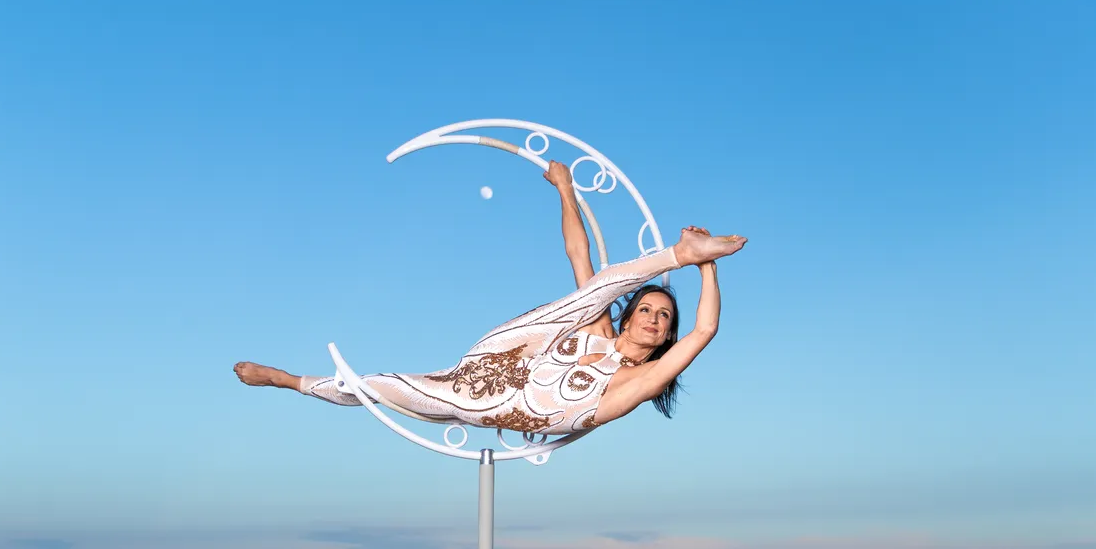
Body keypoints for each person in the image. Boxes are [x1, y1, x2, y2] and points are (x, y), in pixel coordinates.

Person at [234, 160, 746, 434]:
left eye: (663, 317)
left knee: (380, 386)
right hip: (496, 358)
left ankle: (286, 380)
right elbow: (577, 252)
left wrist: (709, 269)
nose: (654, 319)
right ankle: (677, 252)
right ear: (631, 317)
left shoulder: (644, 379)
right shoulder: (598, 325)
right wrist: (565, 188)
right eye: (647, 309)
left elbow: (705, 330)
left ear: (664, 337)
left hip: (507, 404)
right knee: (593, 290)